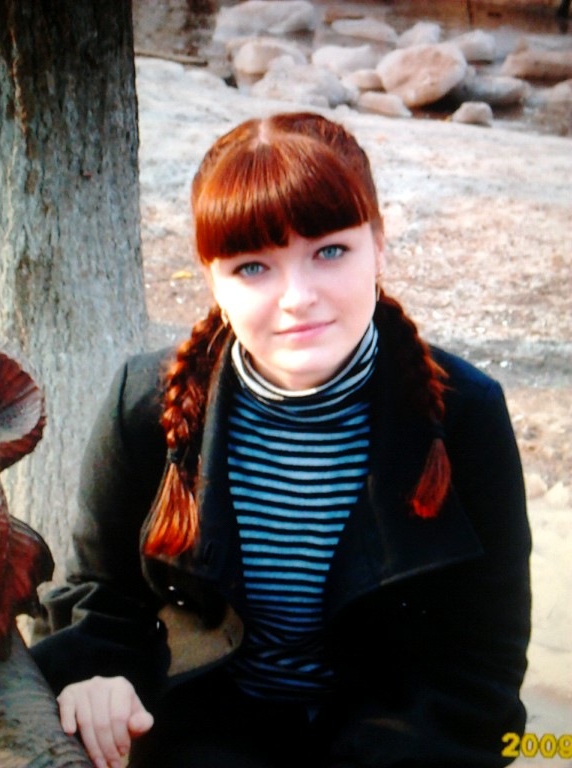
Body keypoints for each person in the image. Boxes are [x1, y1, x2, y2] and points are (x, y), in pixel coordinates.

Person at [32, 112, 531, 768]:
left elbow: (483, 662)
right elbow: (102, 596)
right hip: (204, 736)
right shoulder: (144, 405)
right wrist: (99, 678)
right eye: (252, 267)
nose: (298, 297)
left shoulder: (465, 414)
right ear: (210, 277)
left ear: (378, 244)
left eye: (330, 252)